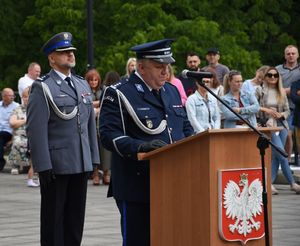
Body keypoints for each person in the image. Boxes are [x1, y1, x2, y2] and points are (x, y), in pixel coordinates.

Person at [99, 39, 194, 246]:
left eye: (167, 66)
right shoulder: (119, 92)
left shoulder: (171, 91)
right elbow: (108, 135)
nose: (165, 71)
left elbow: (185, 128)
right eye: (159, 66)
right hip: (137, 184)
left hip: (174, 181)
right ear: (141, 67)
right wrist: (139, 147)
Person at [26, 32, 100, 245]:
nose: (70, 55)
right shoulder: (43, 87)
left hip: (80, 160)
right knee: (53, 221)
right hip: (56, 165)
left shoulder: (81, 84)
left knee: (75, 221)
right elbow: (36, 129)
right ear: (52, 58)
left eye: (71, 51)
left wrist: (93, 157)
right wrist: (42, 164)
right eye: (64, 52)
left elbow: (87, 125)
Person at [256, 66, 300, 195]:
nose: (273, 77)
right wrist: (266, 111)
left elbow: (287, 110)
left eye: (275, 75)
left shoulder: (281, 91)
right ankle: (292, 183)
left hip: (282, 125)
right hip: (268, 125)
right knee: (281, 153)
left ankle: (269, 183)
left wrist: (281, 115)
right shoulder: (259, 90)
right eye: (270, 75)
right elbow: (255, 107)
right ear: (265, 77)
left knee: (276, 156)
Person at [8, 87, 39, 187]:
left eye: (28, 96)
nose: (26, 99)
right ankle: (16, 166)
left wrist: (22, 121)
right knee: (18, 141)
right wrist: (26, 120)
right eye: (24, 97)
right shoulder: (18, 109)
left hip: (34, 135)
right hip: (21, 134)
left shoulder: (37, 108)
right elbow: (13, 123)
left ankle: (35, 175)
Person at [276, 45, 300, 162]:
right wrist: (292, 91)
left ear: (297, 55)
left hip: (298, 107)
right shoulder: (277, 70)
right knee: (287, 136)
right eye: (288, 53)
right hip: (284, 107)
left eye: (293, 53)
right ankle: (286, 162)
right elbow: (272, 86)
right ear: (285, 55)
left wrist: (286, 91)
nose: (291, 55)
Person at [85, 68, 104, 185]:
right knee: (93, 147)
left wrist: (96, 106)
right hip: (90, 123)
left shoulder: (103, 90)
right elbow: (85, 103)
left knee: (104, 149)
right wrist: (97, 105)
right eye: (91, 80)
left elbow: (105, 102)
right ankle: (95, 173)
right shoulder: (85, 90)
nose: (93, 82)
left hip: (101, 123)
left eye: (96, 80)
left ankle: (106, 173)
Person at [0, 88, 19, 171]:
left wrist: (13, 138)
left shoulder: (17, 107)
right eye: (10, 96)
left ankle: (0, 162)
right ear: (3, 96)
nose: (12, 97)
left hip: (9, 132)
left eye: (13, 95)